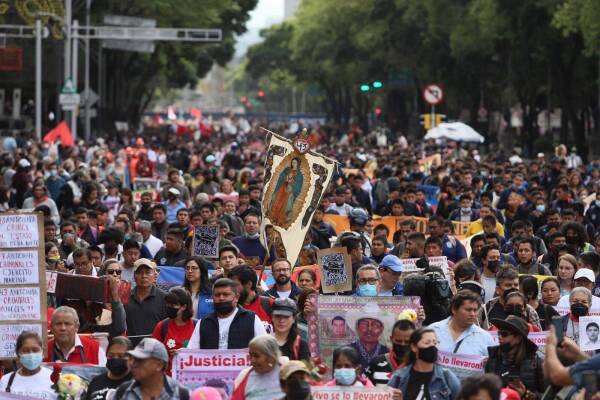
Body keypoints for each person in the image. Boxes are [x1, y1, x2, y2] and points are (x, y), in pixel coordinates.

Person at [187, 278, 267, 349]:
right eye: (217, 295)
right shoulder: (204, 323)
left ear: (236, 297)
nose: (221, 298)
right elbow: (191, 353)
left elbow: (265, 348)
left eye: (226, 294)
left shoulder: (251, 319)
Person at [387, 328, 460, 400]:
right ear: (414, 347)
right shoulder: (399, 377)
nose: (432, 346)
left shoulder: (446, 377)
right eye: (427, 343)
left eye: (435, 343)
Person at [485, 316, 546, 397]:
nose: (499, 337)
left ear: (518, 338)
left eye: (504, 334)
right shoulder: (492, 360)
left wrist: (526, 394)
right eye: (499, 333)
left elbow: (548, 395)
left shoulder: (536, 363)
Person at [109, 338, 189, 400]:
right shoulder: (123, 391)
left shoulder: (181, 394)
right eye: (133, 359)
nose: (133, 363)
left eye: (140, 360)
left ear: (159, 365)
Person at [429, 290, 495, 356]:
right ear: (454, 309)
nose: (473, 314)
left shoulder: (485, 338)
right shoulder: (433, 330)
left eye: (475, 310)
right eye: (468, 310)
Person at [152, 287, 196, 375]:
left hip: (190, 378)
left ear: (183, 307)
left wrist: (185, 353)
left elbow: (204, 353)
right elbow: (153, 354)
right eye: (168, 304)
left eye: (173, 306)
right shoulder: (162, 326)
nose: (169, 308)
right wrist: (167, 354)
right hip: (167, 377)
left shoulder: (197, 326)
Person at [124, 259, 167, 345]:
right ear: (134, 276)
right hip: (129, 348)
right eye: (139, 273)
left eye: (148, 272)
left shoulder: (164, 298)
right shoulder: (125, 296)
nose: (144, 276)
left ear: (154, 275)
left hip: (154, 348)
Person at [0, 331, 56, 399]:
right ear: (18, 353)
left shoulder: (55, 379)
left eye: (35, 350)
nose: (31, 354)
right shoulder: (6, 380)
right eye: (25, 350)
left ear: (42, 351)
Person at [231, 335, 285, 400]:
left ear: (272, 357)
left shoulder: (287, 374)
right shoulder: (244, 376)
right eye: (250, 355)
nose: (252, 360)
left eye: (257, 356)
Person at [365, 319, 416, 386]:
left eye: (407, 342)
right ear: (391, 339)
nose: (403, 344)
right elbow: (362, 388)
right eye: (398, 341)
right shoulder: (376, 362)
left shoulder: (418, 364)